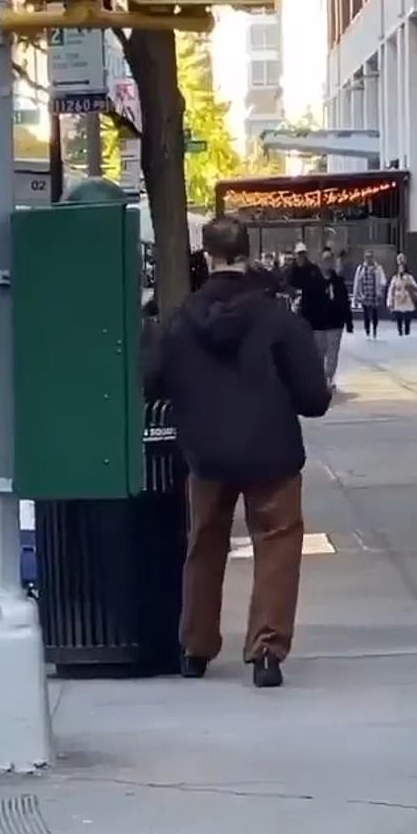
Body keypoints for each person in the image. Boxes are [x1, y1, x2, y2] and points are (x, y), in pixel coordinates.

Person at [150, 217, 331, 688]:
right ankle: (266, 651)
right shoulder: (278, 318)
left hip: (206, 453)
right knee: (277, 542)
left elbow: (149, 382)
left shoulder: (180, 318)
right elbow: (313, 398)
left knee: (204, 544)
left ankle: (195, 646)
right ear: (247, 252)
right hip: (272, 452)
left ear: (206, 255)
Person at [320, 248, 353, 389]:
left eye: (330, 260)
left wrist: (349, 322)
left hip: (335, 322)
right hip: (319, 323)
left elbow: (345, 302)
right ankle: (320, 377)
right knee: (320, 351)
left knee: (333, 352)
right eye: (325, 260)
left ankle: (329, 377)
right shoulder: (316, 281)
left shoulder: (339, 282)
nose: (328, 263)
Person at [353, 250, 387, 339]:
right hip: (365, 295)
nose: (368, 259)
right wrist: (356, 297)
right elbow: (357, 282)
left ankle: (375, 329)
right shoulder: (361, 268)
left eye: (370, 257)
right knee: (366, 314)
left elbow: (383, 280)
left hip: (375, 295)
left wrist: (381, 289)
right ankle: (367, 330)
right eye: (367, 257)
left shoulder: (378, 268)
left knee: (375, 314)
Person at [387, 254, 417, 336]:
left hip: (407, 299)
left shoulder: (409, 277)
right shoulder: (394, 278)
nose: (401, 269)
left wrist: (410, 285)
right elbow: (391, 290)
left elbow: (416, 286)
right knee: (399, 316)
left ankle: (407, 330)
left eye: (402, 268)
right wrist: (390, 302)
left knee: (407, 316)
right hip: (398, 299)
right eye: (400, 268)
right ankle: (400, 330)